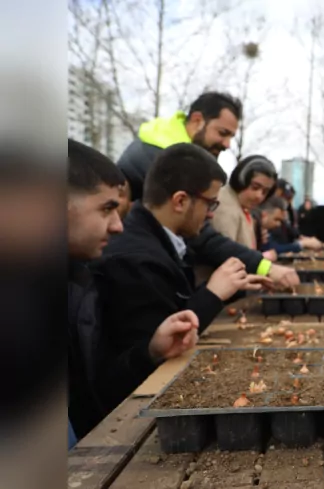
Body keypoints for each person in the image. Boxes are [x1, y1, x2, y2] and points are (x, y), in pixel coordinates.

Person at [92, 143, 271, 410]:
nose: (211, 213)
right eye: (210, 203)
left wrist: (231, 287)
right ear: (180, 201)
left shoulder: (157, 239)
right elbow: (158, 351)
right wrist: (213, 293)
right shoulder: (136, 259)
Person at [68, 139, 200, 440]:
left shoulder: (77, 286)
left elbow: (94, 395)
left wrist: (149, 352)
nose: (117, 226)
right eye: (106, 209)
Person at [115, 91, 299, 289]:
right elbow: (202, 237)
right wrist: (264, 267)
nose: (227, 145)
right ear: (197, 120)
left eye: (231, 136)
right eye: (222, 133)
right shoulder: (167, 161)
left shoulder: (161, 148)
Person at [211, 155, 277, 250]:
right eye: (255, 187)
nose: (259, 196)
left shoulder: (241, 205)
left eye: (265, 192)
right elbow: (225, 255)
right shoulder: (225, 207)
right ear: (240, 180)